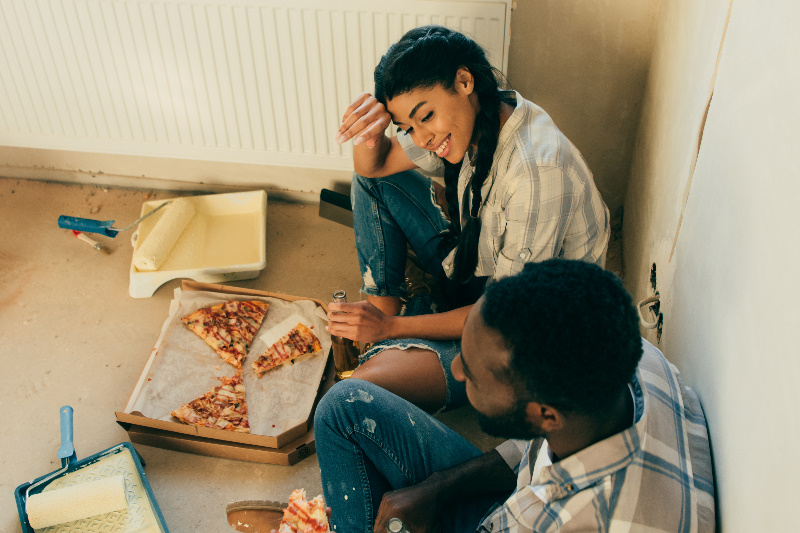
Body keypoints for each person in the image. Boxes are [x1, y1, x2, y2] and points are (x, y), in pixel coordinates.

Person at [328, 25, 610, 414]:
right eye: (408, 127)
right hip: (477, 264)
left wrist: (390, 329)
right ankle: (385, 321)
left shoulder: (537, 171)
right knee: (371, 185)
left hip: (517, 337)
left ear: (464, 81)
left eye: (425, 117)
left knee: (353, 394)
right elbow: (372, 169)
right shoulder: (483, 112)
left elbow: (503, 317)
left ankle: (388, 331)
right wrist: (369, 131)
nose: (422, 138)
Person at [315, 259, 716, 532]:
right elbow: (528, 457)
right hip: (529, 501)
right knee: (343, 405)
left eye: (471, 374)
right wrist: (435, 487)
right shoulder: (628, 358)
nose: (455, 370)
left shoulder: (569, 520)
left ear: (545, 415)